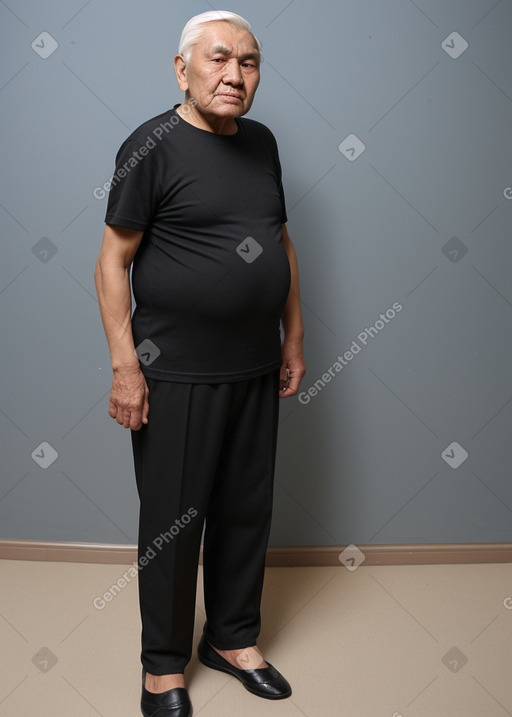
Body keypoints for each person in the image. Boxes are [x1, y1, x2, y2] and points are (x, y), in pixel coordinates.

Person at [94, 10, 305, 717]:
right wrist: (127, 367)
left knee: (246, 509)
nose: (234, 74)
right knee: (173, 521)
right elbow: (111, 261)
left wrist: (294, 337)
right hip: (174, 370)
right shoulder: (151, 145)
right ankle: (162, 666)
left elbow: (278, 243)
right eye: (219, 59)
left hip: (252, 365)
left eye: (248, 62)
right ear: (181, 68)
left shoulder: (263, 143)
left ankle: (233, 638)